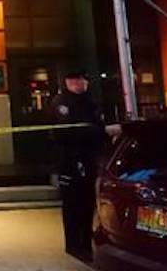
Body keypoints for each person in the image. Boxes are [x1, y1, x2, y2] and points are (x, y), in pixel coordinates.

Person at [50, 69, 110, 262]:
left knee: (87, 204)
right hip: (70, 161)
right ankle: (74, 245)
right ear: (70, 82)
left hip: (88, 159)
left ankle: (85, 243)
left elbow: (93, 126)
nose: (82, 83)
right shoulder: (61, 103)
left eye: (84, 80)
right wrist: (102, 131)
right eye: (79, 80)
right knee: (73, 204)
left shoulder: (90, 102)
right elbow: (68, 132)